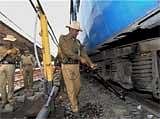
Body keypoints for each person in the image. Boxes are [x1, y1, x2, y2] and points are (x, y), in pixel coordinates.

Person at [58, 21, 96, 114]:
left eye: (78, 31)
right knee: (70, 88)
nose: (77, 33)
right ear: (70, 30)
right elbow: (67, 52)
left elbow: (84, 53)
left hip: (75, 66)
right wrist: (80, 58)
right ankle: (74, 107)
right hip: (66, 66)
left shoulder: (78, 42)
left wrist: (90, 63)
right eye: (76, 31)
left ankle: (74, 99)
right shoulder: (62, 38)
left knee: (78, 86)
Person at [0, 34, 19, 112]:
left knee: (11, 84)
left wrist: (11, 52)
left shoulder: (15, 49)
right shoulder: (1, 48)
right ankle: (4, 101)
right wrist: (6, 53)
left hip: (10, 66)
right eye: (7, 41)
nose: (8, 42)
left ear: (12, 42)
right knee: (1, 84)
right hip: (2, 66)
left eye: (10, 41)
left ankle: (11, 101)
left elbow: (16, 57)